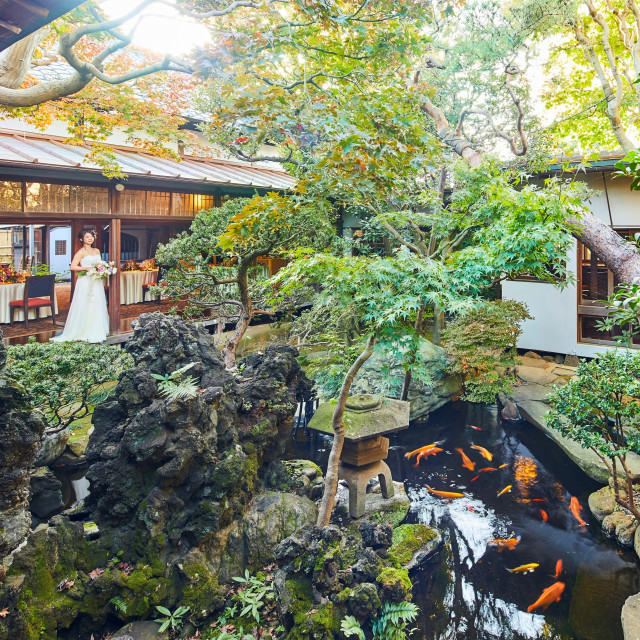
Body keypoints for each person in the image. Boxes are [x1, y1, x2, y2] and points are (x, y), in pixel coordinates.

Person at [51, 229, 110, 343]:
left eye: (91, 236)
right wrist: (86, 268)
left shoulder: (97, 250)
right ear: (82, 239)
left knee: (96, 303)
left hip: (96, 280)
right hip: (85, 280)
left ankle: (96, 329)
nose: (90, 238)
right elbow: (72, 266)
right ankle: (83, 329)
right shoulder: (81, 252)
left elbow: (99, 263)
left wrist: (102, 268)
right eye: (87, 237)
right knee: (85, 303)